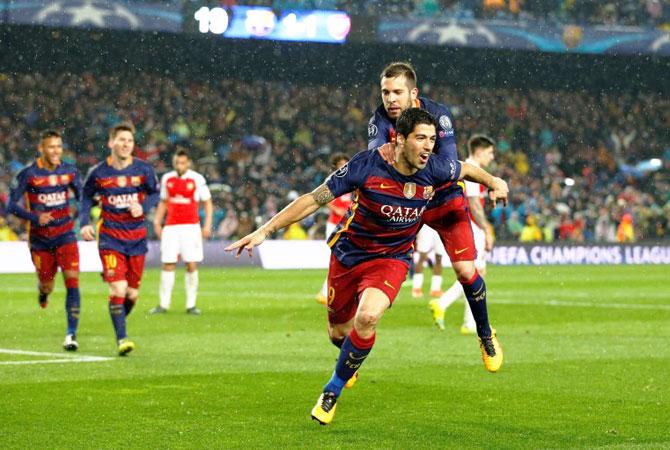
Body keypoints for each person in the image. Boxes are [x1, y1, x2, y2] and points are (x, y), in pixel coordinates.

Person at [226, 109, 508, 425]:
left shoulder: (435, 167)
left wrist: (495, 181)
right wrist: (264, 230)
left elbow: (467, 170)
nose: (428, 147)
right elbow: (313, 198)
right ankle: (349, 361)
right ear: (400, 139)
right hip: (349, 255)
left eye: (432, 139)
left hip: (392, 258)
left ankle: (331, 392)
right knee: (338, 333)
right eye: (420, 139)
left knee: (368, 316)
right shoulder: (366, 165)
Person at [368, 62, 501, 371]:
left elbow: (448, 163)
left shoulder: (437, 115)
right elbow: (380, 160)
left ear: (413, 94)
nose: (390, 99)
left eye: (397, 92)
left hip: (443, 198)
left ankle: (485, 333)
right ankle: (350, 353)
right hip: (405, 204)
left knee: (467, 271)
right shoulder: (378, 120)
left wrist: (413, 172)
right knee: (371, 272)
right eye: (385, 92)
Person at [79, 123, 159, 356]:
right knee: (119, 287)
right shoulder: (99, 172)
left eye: (130, 141)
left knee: (132, 294)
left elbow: (155, 192)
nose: (126, 145)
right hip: (110, 238)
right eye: (121, 140)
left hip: (136, 239)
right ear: (111, 142)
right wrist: (84, 223)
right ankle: (122, 338)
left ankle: (118, 319)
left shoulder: (143, 170)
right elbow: (85, 197)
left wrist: (142, 206)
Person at [7, 130, 83, 351]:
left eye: (59, 147)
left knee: (72, 281)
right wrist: (35, 217)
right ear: (41, 149)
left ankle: (71, 334)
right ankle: (43, 292)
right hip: (40, 240)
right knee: (47, 285)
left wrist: (82, 215)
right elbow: (11, 205)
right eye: (51, 147)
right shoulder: (28, 174)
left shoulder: (69, 171)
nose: (56, 151)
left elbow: (81, 198)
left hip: (66, 235)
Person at [430, 134, 496, 334]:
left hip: (465, 225)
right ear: (479, 151)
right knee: (474, 275)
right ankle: (443, 303)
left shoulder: (464, 166)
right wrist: (486, 229)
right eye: (490, 153)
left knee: (475, 275)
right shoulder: (472, 170)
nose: (492, 157)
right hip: (471, 227)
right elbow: (474, 204)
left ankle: (469, 322)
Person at [149, 150, 213, 316]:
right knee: (168, 263)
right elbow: (164, 202)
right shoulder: (167, 178)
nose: (180, 166)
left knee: (191, 264)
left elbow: (207, 203)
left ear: (189, 163)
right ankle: (163, 304)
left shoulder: (197, 179)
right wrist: (157, 221)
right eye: (177, 163)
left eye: (183, 163)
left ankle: (191, 305)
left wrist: (207, 225)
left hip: (191, 227)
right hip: (171, 227)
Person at [316, 153, 352, 305]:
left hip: (348, 223)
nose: (343, 166)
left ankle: (331, 292)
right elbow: (321, 197)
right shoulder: (331, 179)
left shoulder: (352, 177)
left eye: (345, 163)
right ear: (335, 166)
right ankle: (326, 292)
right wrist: (335, 208)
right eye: (340, 164)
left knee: (343, 257)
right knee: (337, 257)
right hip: (334, 223)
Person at [410, 224, 447, 299]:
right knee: (422, 256)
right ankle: (416, 288)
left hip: (441, 225)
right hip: (427, 225)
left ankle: (435, 289)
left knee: (439, 257)